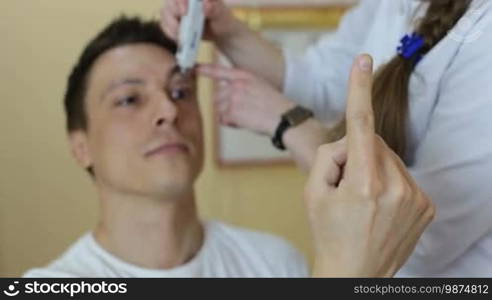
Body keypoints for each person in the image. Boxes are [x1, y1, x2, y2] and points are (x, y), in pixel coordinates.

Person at [21, 15, 434, 278]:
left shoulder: (274, 264)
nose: (168, 109)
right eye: (130, 99)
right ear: (80, 147)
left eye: (181, 92)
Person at [162, 0, 492, 276]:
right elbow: (325, 79)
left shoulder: (276, 264)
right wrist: (230, 34)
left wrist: (291, 125)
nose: (165, 114)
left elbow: (408, 232)